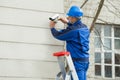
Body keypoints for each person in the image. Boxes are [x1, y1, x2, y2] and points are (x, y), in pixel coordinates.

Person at [49, 5, 90, 80]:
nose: (67, 17)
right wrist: (68, 22)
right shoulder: (84, 27)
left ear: (74, 18)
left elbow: (59, 35)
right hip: (85, 61)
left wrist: (52, 27)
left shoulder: (73, 31)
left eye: (69, 16)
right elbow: (75, 27)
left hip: (77, 62)